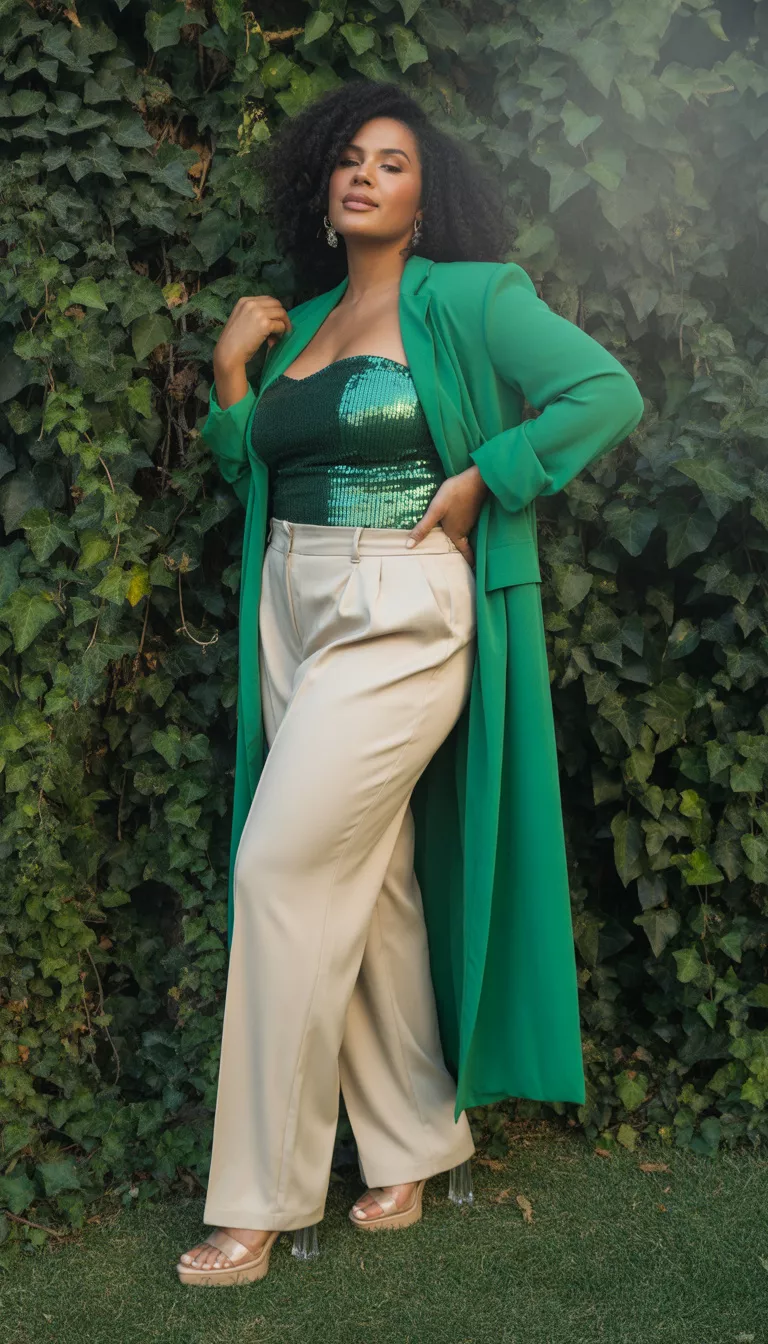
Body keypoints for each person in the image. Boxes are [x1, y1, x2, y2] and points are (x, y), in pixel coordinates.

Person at [177, 78, 644, 1288]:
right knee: (367, 883)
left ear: (427, 196)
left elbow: (605, 392)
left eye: (391, 161)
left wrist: (491, 472)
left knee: (279, 865)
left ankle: (261, 1197)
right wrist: (235, 379)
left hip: (404, 604)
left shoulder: (474, 298)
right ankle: (414, 1140)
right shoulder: (311, 316)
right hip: (293, 601)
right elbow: (261, 469)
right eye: (346, 159)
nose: (364, 174)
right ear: (320, 190)